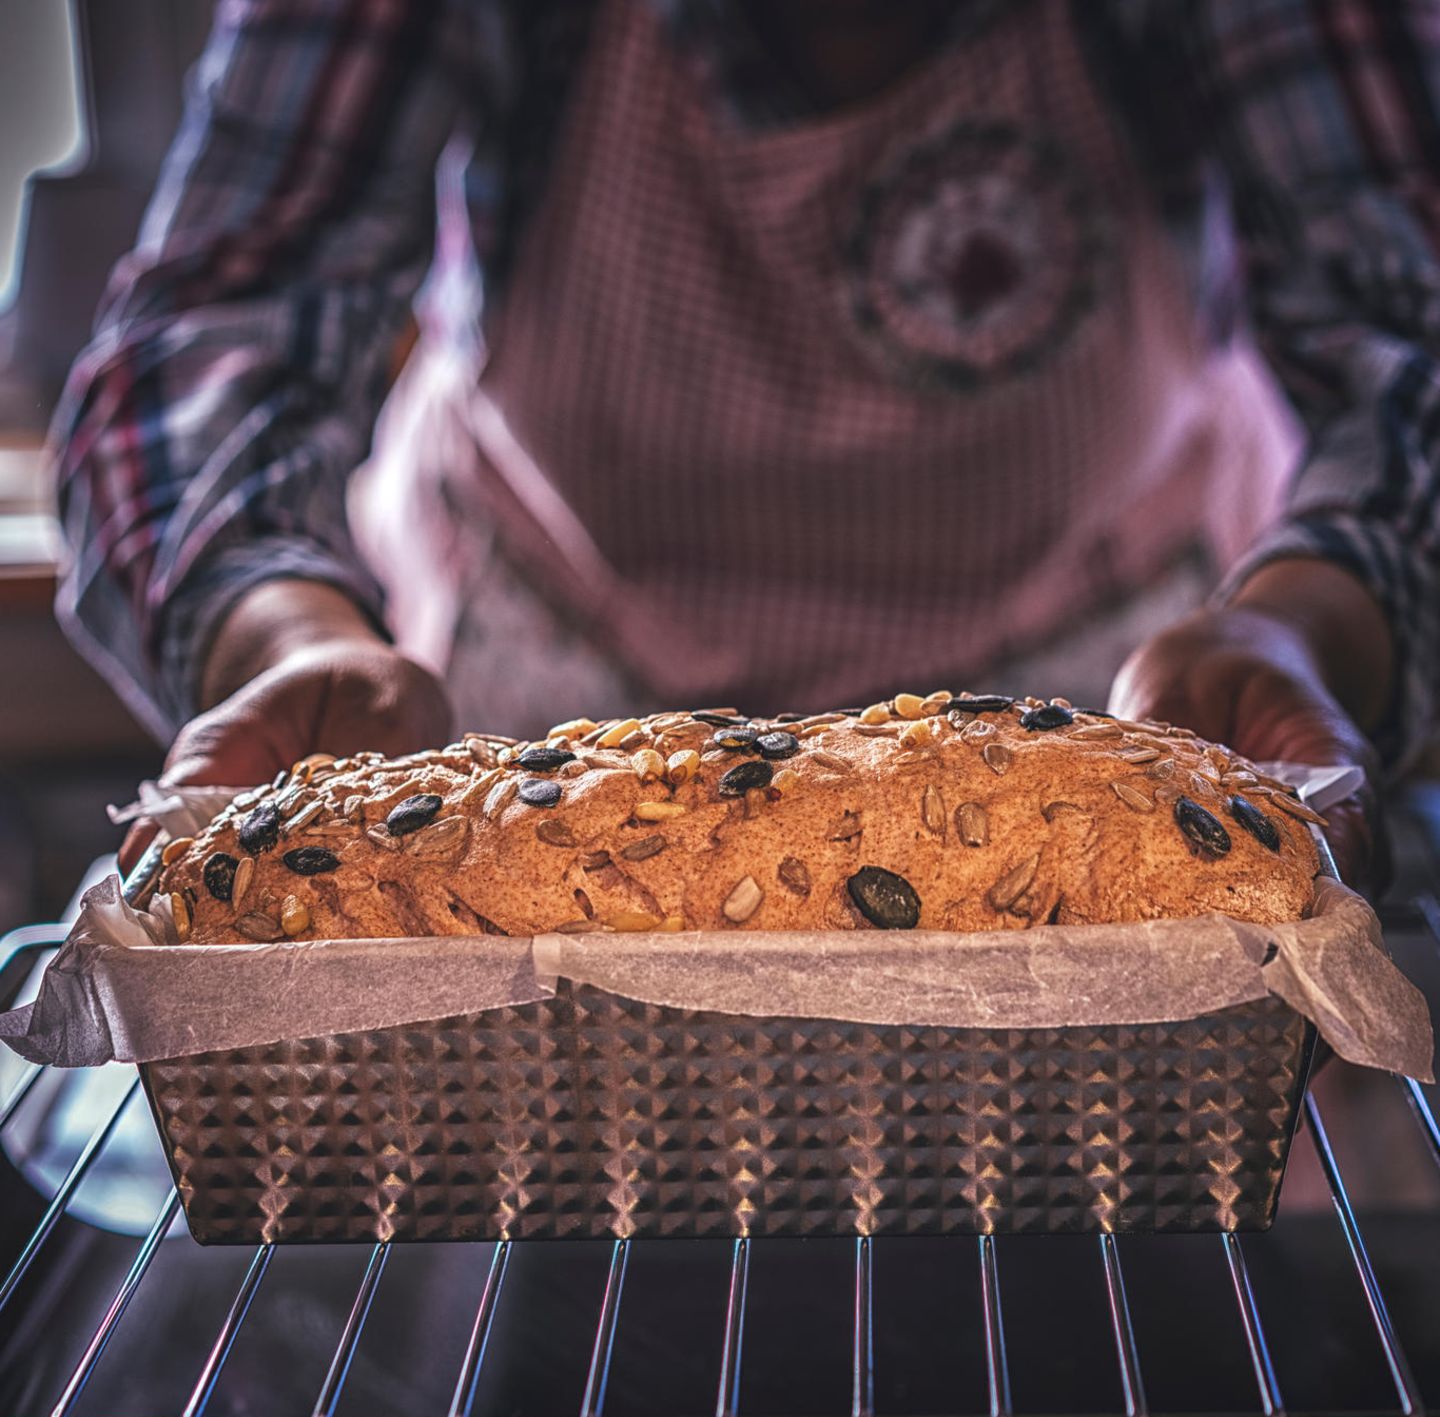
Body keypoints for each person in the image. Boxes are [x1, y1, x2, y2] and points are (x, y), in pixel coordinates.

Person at [51, 0, 1440, 886]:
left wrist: (1319, 620)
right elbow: (212, 330)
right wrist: (282, 636)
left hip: (1111, 709)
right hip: (549, 727)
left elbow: (1414, 318)